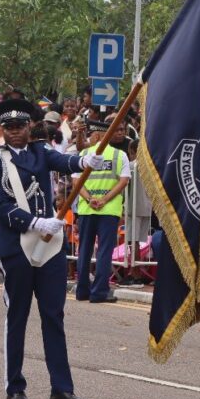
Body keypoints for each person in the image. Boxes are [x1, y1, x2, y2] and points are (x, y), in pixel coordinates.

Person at [0, 98, 100, 399]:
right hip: (16, 245)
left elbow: (64, 162)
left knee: (53, 315)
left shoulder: (40, 151)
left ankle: (61, 389)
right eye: (9, 127)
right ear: (1, 128)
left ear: (30, 126)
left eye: (20, 126)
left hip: (49, 247)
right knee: (17, 316)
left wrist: (85, 161)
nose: (15, 131)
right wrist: (34, 222)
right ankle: (15, 387)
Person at [73, 121, 130, 303]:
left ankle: (82, 291)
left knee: (84, 250)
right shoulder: (119, 155)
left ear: (96, 135)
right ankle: (99, 292)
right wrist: (104, 200)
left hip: (86, 209)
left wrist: (89, 199)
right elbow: (124, 181)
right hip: (109, 210)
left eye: (91, 135)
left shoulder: (83, 154)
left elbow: (76, 183)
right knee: (104, 251)